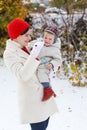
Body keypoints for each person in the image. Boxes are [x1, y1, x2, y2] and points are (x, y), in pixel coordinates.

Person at [3, 18, 58, 130]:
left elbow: (51, 51)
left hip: (44, 94)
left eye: (29, 35)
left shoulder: (28, 46)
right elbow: (22, 75)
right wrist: (33, 56)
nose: (30, 38)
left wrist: (53, 65)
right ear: (17, 35)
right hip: (32, 100)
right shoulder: (9, 54)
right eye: (26, 35)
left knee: (45, 124)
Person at [29, 26, 62, 101]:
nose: (47, 40)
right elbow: (31, 45)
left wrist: (52, 64)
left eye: (50, 39)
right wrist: (31, 48)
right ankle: (46, 92)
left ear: (54, 40)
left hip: (45, 65)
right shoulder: (40, 43)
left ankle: (47, 89)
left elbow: (58, 60)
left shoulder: (55, 49)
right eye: (45, 37)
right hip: (36, 63)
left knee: (42, 73)